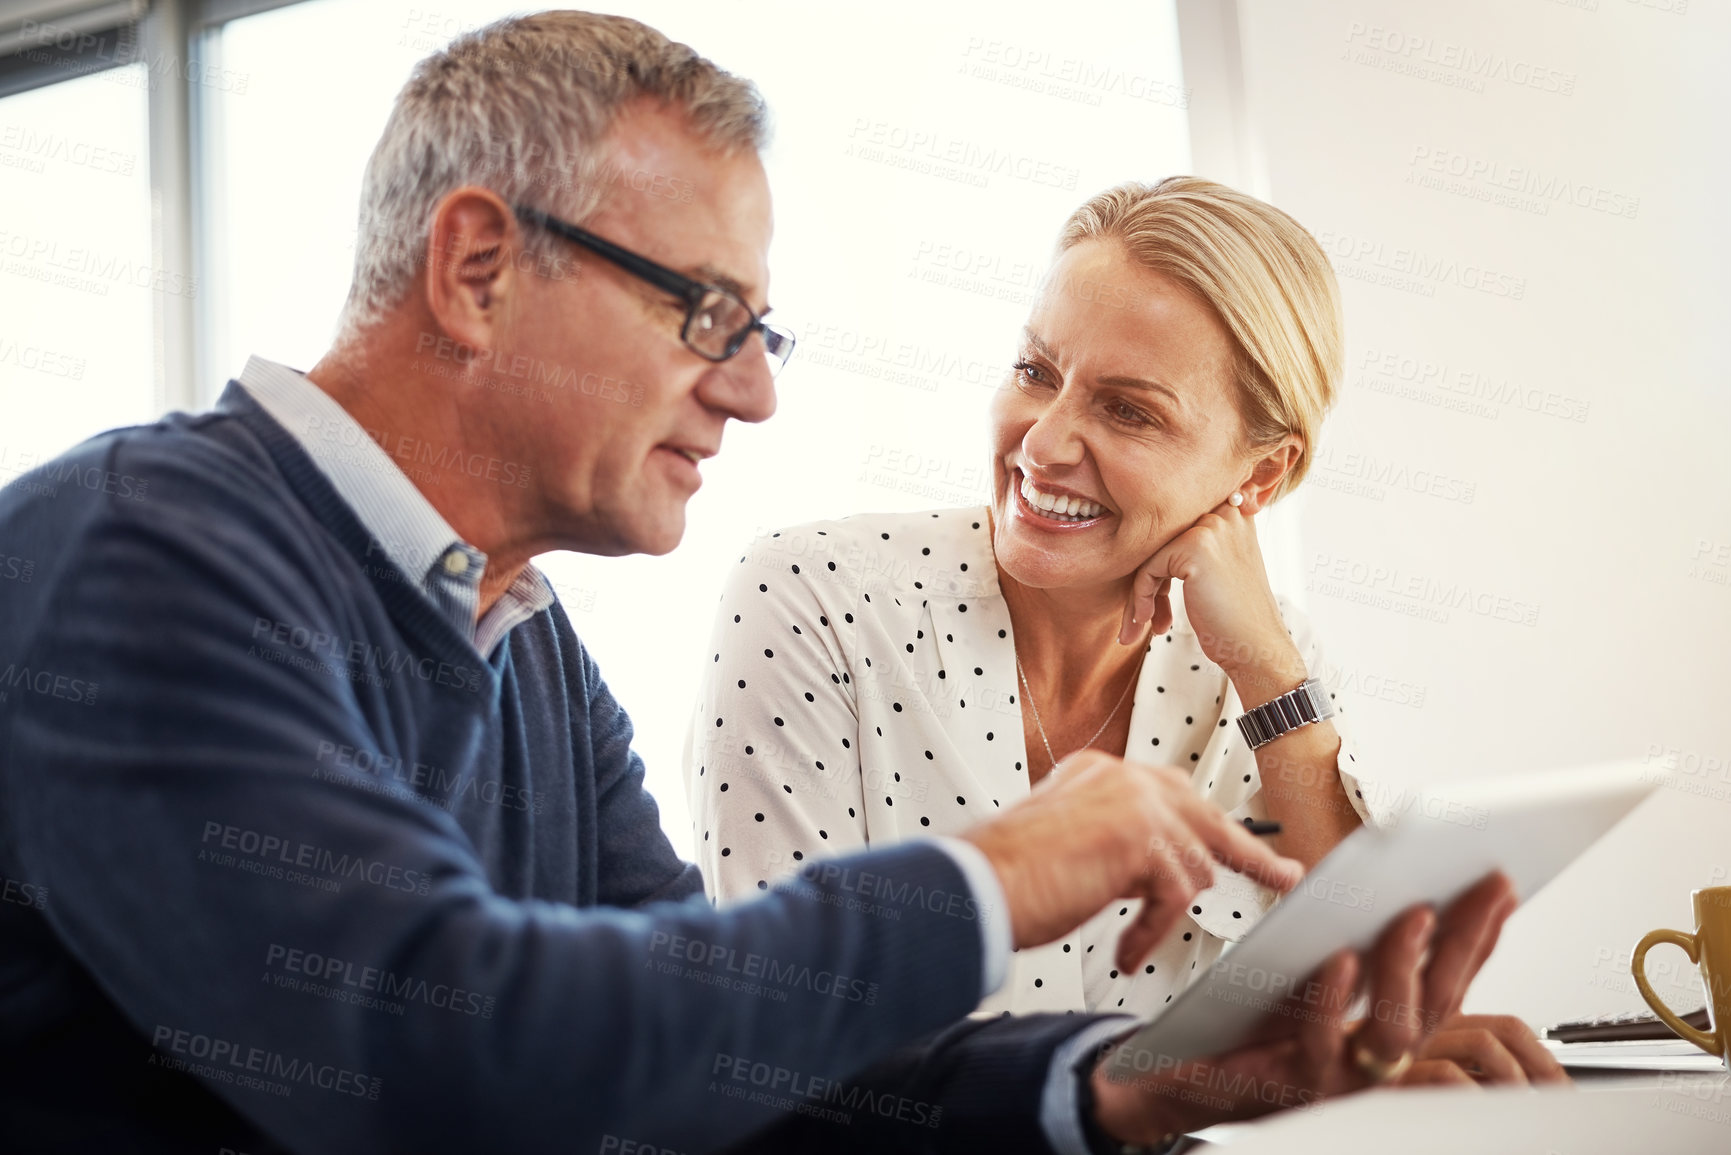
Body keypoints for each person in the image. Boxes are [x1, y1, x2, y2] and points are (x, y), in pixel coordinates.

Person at [0, 12, 1523, 1155]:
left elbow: (724, 1067)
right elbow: (425, 1039)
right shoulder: (142, 552)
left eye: (758, 331)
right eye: (704, 312)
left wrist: (1159, 1079)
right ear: (477, 269)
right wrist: (991, 873)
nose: (749, 394)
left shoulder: (521, 640)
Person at [689, 177, 1565, 1087]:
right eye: (1035, 372)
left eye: (1128, 410)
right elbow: (775, 1037)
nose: (1041, 445)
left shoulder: (1263, 662)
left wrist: (1270, 675)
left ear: (1259, 477)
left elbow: (1378, 1012)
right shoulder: (816, 599)